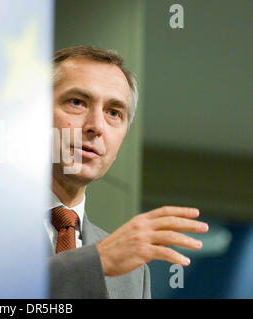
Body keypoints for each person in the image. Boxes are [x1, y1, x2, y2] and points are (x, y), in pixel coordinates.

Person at [48, 46, 209, 298]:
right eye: (77, 102)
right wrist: (94, 262)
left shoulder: (134, 273)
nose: (96, 126)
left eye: (113, 112)